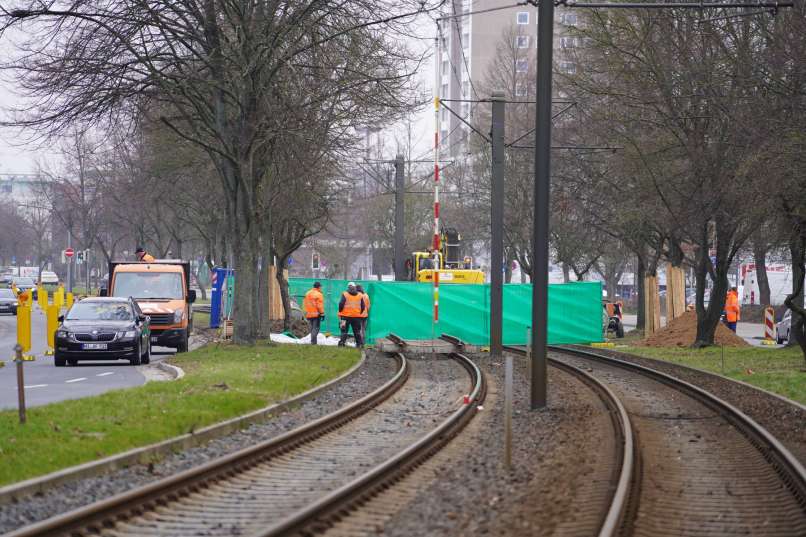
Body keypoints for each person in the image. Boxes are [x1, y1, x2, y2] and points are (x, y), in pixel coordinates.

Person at [338, 281, 365, 348]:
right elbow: (363, 306)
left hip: (345, 316)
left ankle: (342, 343)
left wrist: (341, 311)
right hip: (356, 317)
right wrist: (359, 313)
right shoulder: (360, 295)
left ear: (348, 288)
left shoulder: (345, 294)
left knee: (343, 331)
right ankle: (359, 344)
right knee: (357, 331)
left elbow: (341, 304)